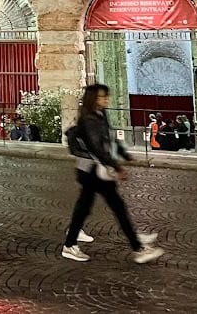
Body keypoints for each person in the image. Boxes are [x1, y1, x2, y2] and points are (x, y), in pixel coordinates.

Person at [62, 84, 162, 264]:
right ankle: (137, 247)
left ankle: (71, 239)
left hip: (94, 169)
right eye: (102, 97)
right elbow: (97, 149)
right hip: (92, 169)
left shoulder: (100, 114)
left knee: (86, 207)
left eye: (106, 96)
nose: (106, 100)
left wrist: (124, 154)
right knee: (116, 207)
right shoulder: (89, 119)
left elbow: (110, 138)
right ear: (93, 98)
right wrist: (117, 167)